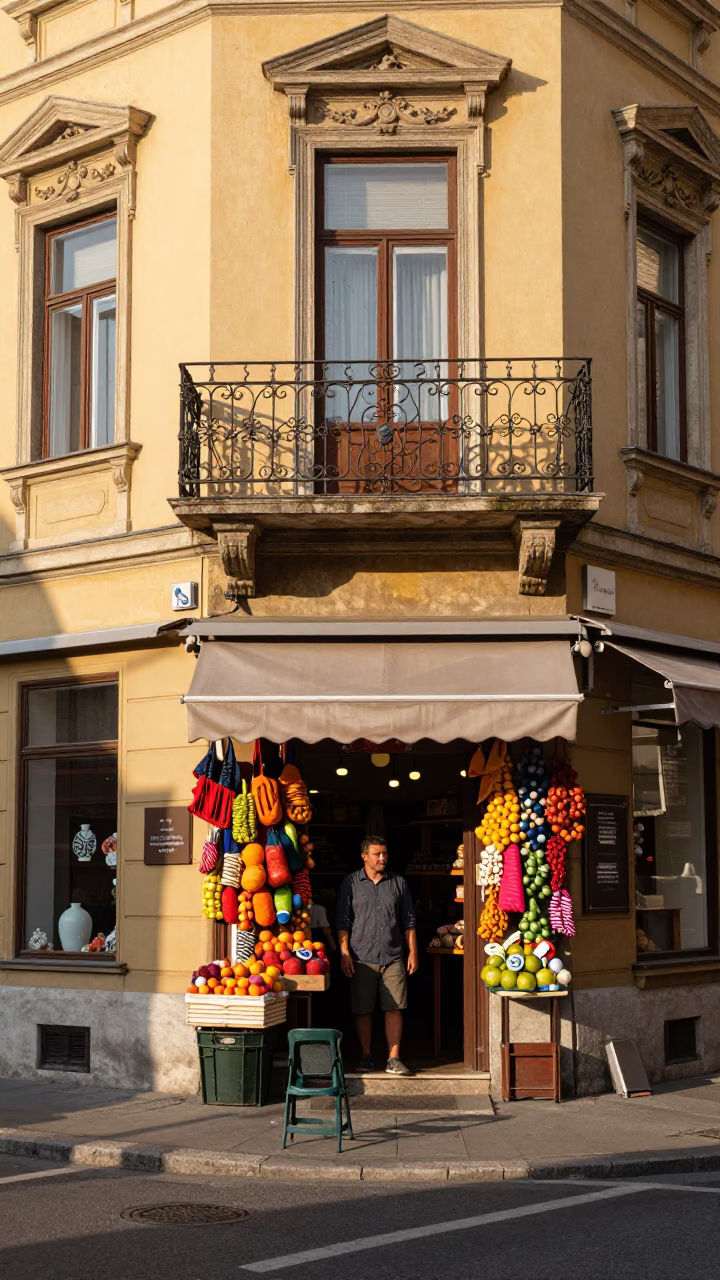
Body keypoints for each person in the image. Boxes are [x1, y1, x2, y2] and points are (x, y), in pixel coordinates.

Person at [335, 836, 418, 1075]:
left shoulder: (397, 883)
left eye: (384, 854)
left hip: (392, 955)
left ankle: (394, 1058)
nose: (382, 858)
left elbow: (409, 920)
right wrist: (344, 952)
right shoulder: (351, 883)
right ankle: (366, 1056)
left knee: (394, 1007)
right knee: (363, 1009)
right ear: (364, 857)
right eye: (376, 854)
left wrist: (412, 951)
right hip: (361, 956)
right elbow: (342, 921)